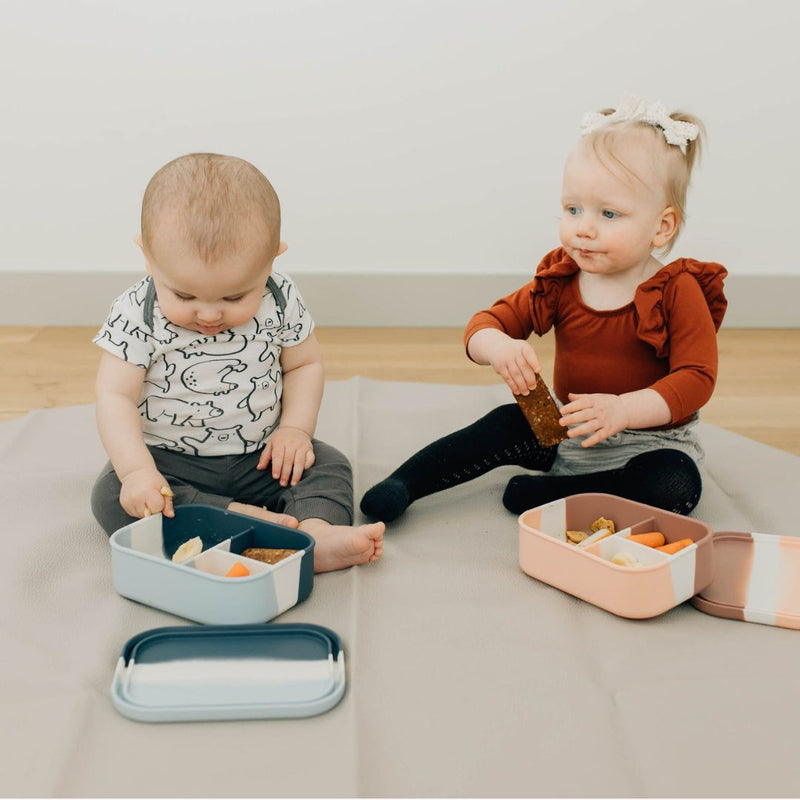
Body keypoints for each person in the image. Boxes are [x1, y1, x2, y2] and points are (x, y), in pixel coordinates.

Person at [361, 96, 727, 523]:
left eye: (609, 214)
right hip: (566, 428)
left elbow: (696, 378)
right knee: (505, 422)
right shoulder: (563, 278)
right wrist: (498, 347)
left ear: (662, 227)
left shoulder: (678, 289)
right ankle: (406, 483)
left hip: (649, 443)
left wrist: (624, 410)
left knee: (677, 483)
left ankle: (561, 494)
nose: (584, 228)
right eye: (573, 209)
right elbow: (485, 324)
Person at [91, 153, 384, 572]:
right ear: (148, 257)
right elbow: (114, 395)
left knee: (329, 464)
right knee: (112, 494)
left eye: (234, 297)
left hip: (263, 457)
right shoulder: (137, 311)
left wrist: (295, 430)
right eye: (184, 296)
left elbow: (303, 365)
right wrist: (138, 471)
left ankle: (316, 533)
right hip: (170, 462)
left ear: (272, 260)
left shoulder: (280, 298)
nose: (209, 314)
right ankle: (239, 519)